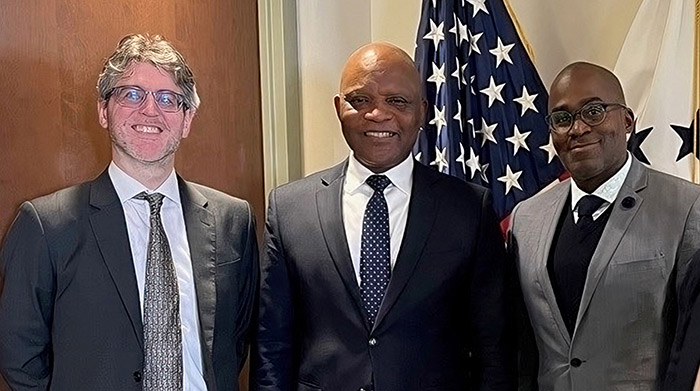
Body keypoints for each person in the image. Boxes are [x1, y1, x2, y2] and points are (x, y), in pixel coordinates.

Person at [0, 34, 258, 391]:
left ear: (187, 120)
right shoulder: (46, 225)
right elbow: (20, 357)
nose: (150, 110)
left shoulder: (233, 220)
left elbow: (238, 340)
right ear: (103, 111)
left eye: (168, 99)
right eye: (132, 94)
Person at [253, 42, 514, 391]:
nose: (378, 114)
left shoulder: (468, 209)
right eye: (360, 100)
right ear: (338, 108)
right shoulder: (289, 209)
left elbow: (493, 347)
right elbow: (272, 343)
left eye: (397, 101)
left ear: (421, 111)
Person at [508, 61, 700, 390]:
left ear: (626, 121)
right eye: (562, 118)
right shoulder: (526, 218)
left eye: (593, 111)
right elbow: (520, 343)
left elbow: (690, 343)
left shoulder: (687, 206)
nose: (578, 128)